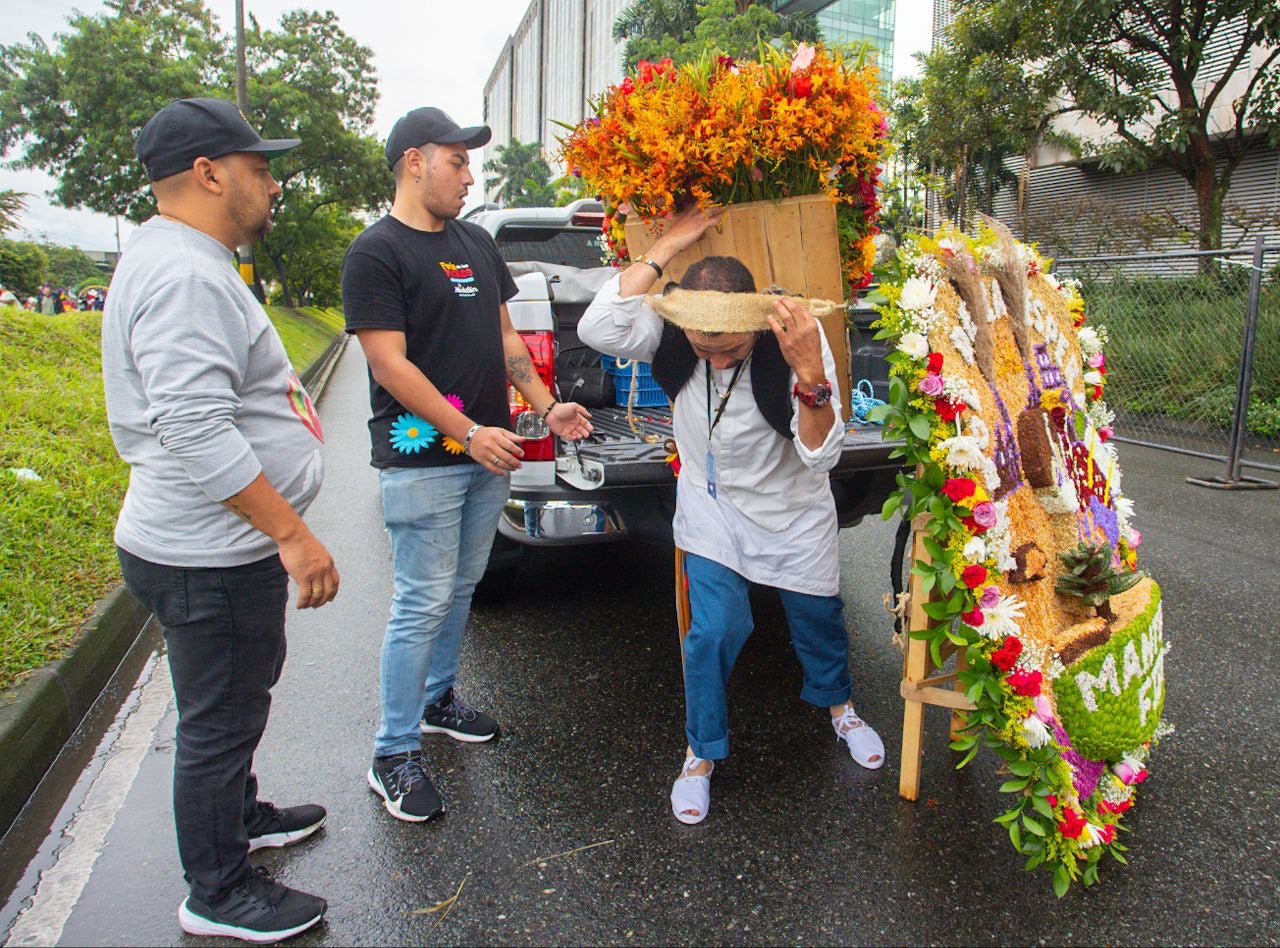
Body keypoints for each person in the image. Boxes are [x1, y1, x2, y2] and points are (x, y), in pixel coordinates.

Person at [101, 97, 338, 943]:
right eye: (260, 168)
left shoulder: (184, 257)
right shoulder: (184, 274)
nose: (272, 185)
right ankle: (219, 890)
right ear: (209, 174)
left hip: (208, 546)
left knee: (230, 699)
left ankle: (240, 815)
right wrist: (291, 531)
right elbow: (194, 425)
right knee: (219, 718)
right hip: (209, 552)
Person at [578, 206, 885, 825]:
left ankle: (840, 709)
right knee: (714, 630)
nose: (714, 358)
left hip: (793, 508)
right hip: (711, 508)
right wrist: (669, 244)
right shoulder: (674, 328)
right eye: (701, 347)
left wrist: (809, 372)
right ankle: (700, 753)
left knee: (816, 621)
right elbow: (597, 325)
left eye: (729, 348)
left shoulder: (794, 335)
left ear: (752, 323)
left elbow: (822, 453)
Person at [342, 106, 593, 823]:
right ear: (415, 161)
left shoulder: (476, 243)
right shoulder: (376, 252)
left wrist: (547, 407)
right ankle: (391, 752)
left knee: (461, 589)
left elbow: (508, 339)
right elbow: (388, 363)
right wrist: (468, 430)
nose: (468, 174)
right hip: (421, 459)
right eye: (456, 160)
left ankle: (436, 701)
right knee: (420, 599)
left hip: (489, 454)